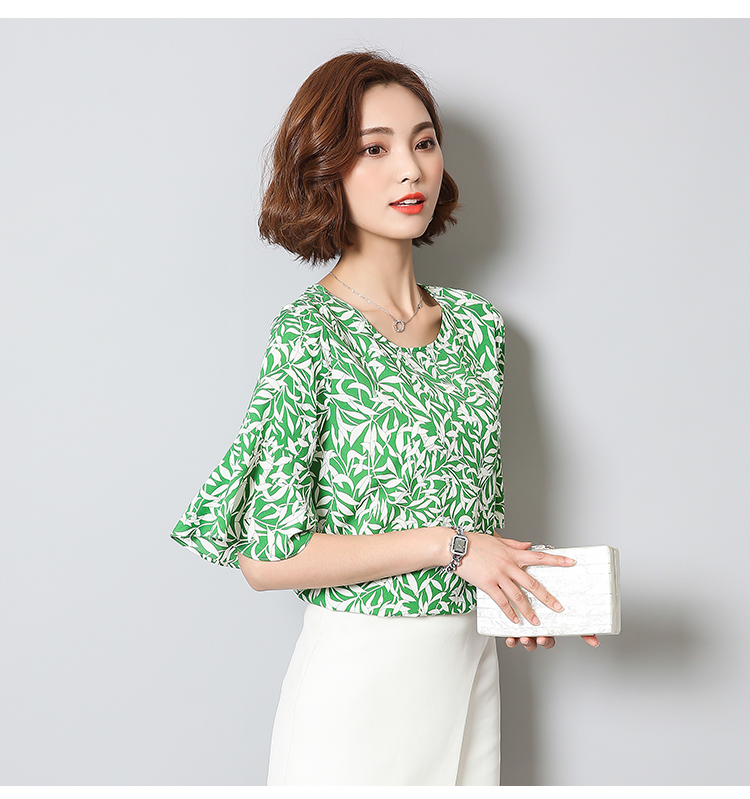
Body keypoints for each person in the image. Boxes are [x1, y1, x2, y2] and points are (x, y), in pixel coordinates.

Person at [171, 50, 599, 787]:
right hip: (359, 687)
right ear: (325, 170)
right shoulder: (310, 332)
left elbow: (471, 522)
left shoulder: (479, 330)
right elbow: (266, 561)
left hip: (470, 673)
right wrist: (455, 548)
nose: (411, 169)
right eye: (375, 148)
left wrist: (513, 588)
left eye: (424, 142)